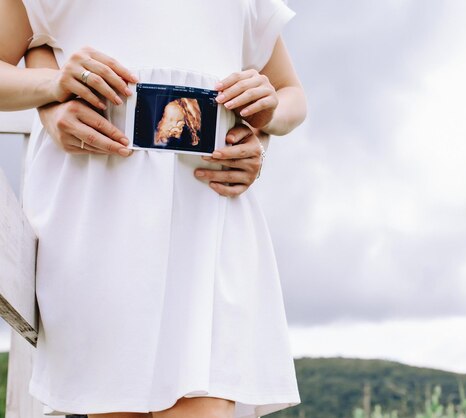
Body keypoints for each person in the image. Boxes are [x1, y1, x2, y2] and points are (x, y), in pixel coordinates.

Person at [0, 0, 307, 417]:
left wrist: (266, 118)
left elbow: (291, 94)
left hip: (210, 225)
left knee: (207, 400)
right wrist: (52, 89)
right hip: (100, 228)